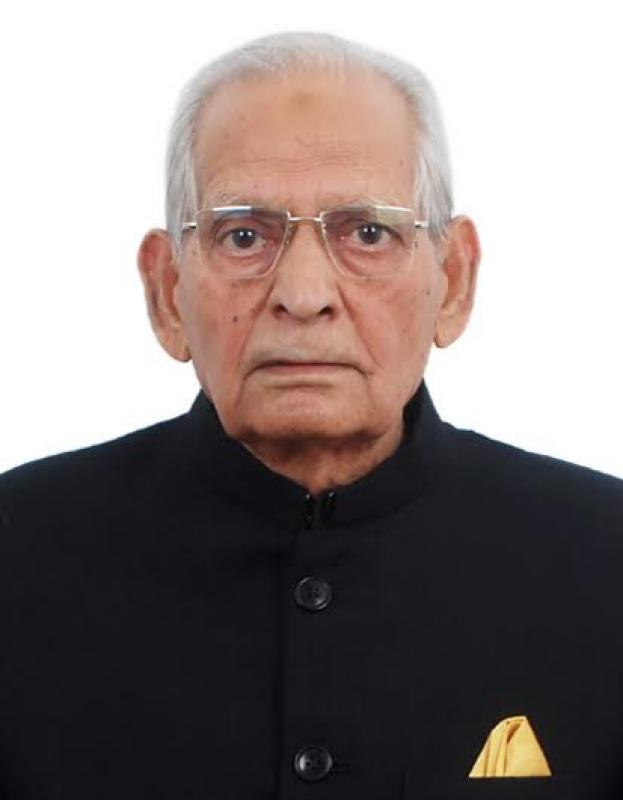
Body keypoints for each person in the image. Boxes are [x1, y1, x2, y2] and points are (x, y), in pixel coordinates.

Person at [0, 30, 621, 800]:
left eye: (366, 232)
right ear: (167, 292)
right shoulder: (17, 555)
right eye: (242, 235)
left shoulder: (603, 560)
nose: (302, 294)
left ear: (452, 280)